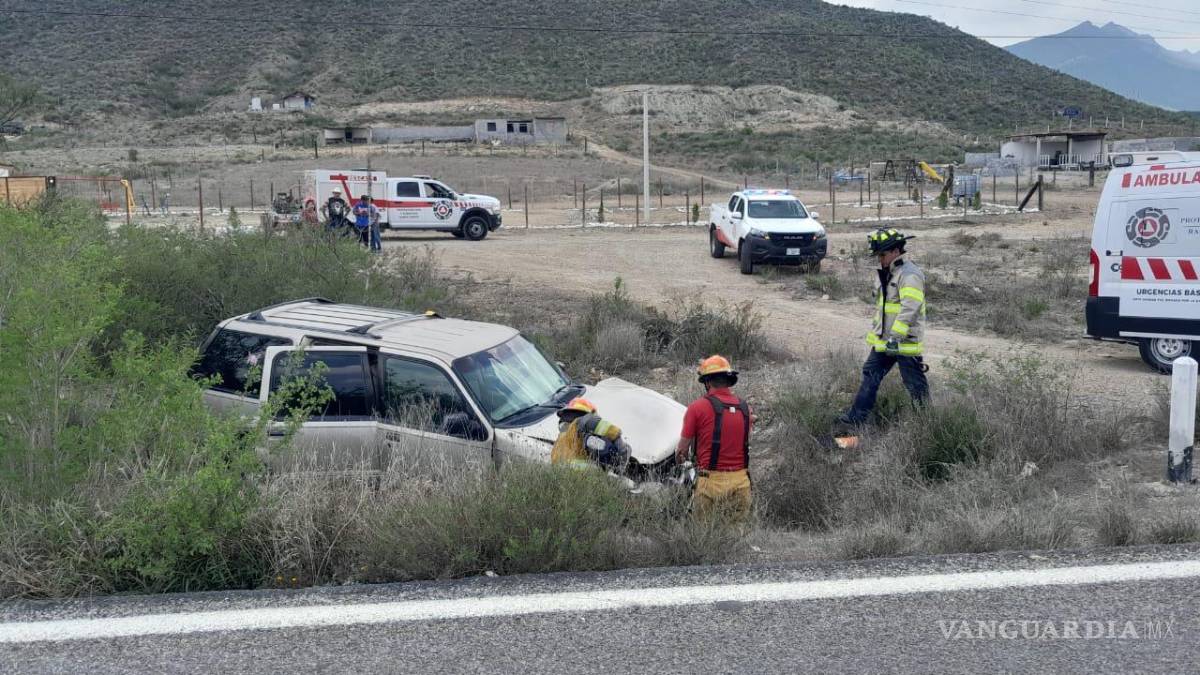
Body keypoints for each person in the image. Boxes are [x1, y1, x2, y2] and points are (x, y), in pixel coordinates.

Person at [837, 228, 929, 429]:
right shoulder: (888, 273)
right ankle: (855, 419)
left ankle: (926, 424)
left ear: (896, 251)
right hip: (884, 341)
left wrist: (896, 336)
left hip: (903, 342)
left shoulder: (910, 274)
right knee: (870, 374)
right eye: (878, 255)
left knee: (914, 385)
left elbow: (910, 307)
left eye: (882, 254)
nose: (880, 259)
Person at [676, 355, 752, 521]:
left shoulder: (697, 408)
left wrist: (679, 462)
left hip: (711, 483)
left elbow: (681, 450)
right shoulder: (746, 409)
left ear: (707, 382)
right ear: (728, 380)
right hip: (741, 483)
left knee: (703, 538)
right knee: (735, 539)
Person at [551, 398, 631, 473]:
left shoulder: (558, 443)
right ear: (589, 414)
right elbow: (613, 431)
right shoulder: (586, 421)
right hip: (586, 479)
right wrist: (624, 449)